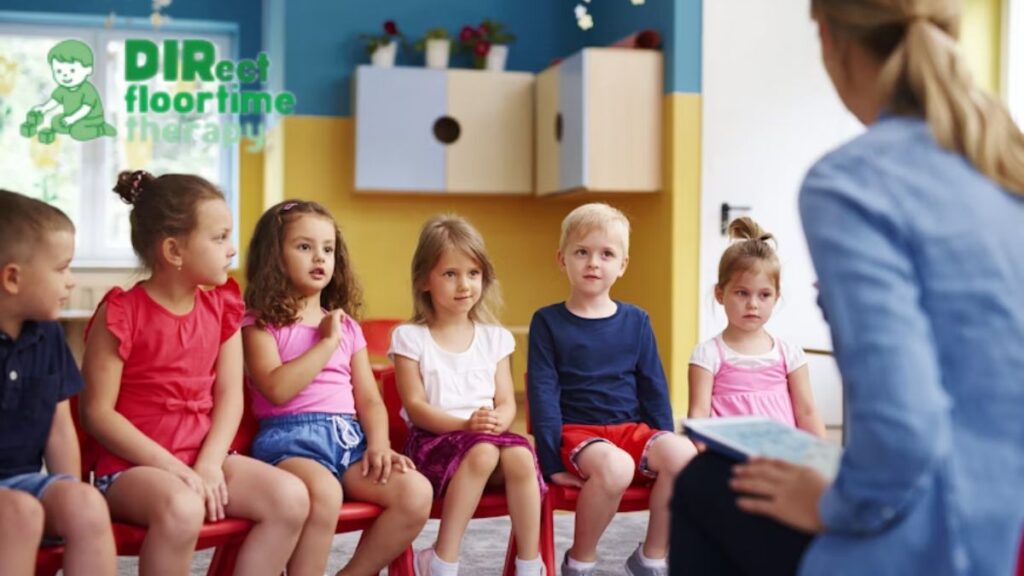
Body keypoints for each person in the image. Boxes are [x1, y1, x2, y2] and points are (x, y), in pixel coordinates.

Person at [671, 1, 1024, 575]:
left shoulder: (850, 182)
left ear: (832, 39)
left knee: (705, 481)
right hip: (1012, 515)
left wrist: (837, 504)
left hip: (953, 536)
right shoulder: (1004, 160)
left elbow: (904, 426)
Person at [80, 171, 309, 575]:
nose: (232, 249)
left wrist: (207, 463)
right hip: (133, 469)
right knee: (183, 506)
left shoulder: (222, 307)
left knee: (291, 498)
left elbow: (229, 398)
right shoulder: (120, 312)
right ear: (174, 250)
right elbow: (97, 413)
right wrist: (174, 468)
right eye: (219, 238)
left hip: (205, 456)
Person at [242, 200, 432, 576]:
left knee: (415, 493)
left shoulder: (346, 327)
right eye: (304, 246)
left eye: (327, 249)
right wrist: (324, 345)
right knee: (324, 493)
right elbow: (277, 388)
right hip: (290, 444)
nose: (319, 257)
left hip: (350, 443)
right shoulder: (259, 324)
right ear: (273, 255)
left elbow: (370, 401)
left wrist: (379, 445)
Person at [528, 202, 696, 576]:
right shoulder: (547, 321)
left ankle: (652, 557)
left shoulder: (637, 320)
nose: (593, 263)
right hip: (578, 435)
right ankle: (580, 560)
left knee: (684, 454)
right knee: (616, 466)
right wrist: (550, 463)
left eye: (606, 254)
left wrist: (663, 438)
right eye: (582, 252)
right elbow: (542, 394)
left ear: (622, 265)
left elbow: (654, 387)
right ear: (562, 259)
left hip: (631, 432)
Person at [390, 214, 546, 576]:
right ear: (423, 280)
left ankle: (529, 564)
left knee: (521, 456)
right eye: (450, 274)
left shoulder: (495, 338)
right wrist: (466, 424)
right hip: (433, 445)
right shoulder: (410, 338)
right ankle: (443, 559)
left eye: (473, 273)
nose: (464, 285)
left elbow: (506, 402)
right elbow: (415, 406)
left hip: (485, 441)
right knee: (484, 451)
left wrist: (496, 421)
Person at [0, 189, 116, 576]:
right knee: (21, 514)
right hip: (15, 503)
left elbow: (60, 427)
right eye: (62, 268)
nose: (70, 282)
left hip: (22, 480)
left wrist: (69, 486)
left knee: (86, 504)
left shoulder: (48, 334)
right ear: (13, 278)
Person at [688, 217, 826, 438]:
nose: (753, 304)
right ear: (720, 294)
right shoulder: (707, 355)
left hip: (780, 457)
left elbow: (807, 412)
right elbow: (698, 414)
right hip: (728, 460)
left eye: (764, 295)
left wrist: (823, 459)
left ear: (776, 297)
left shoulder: (790, 355)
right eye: (742, 293)